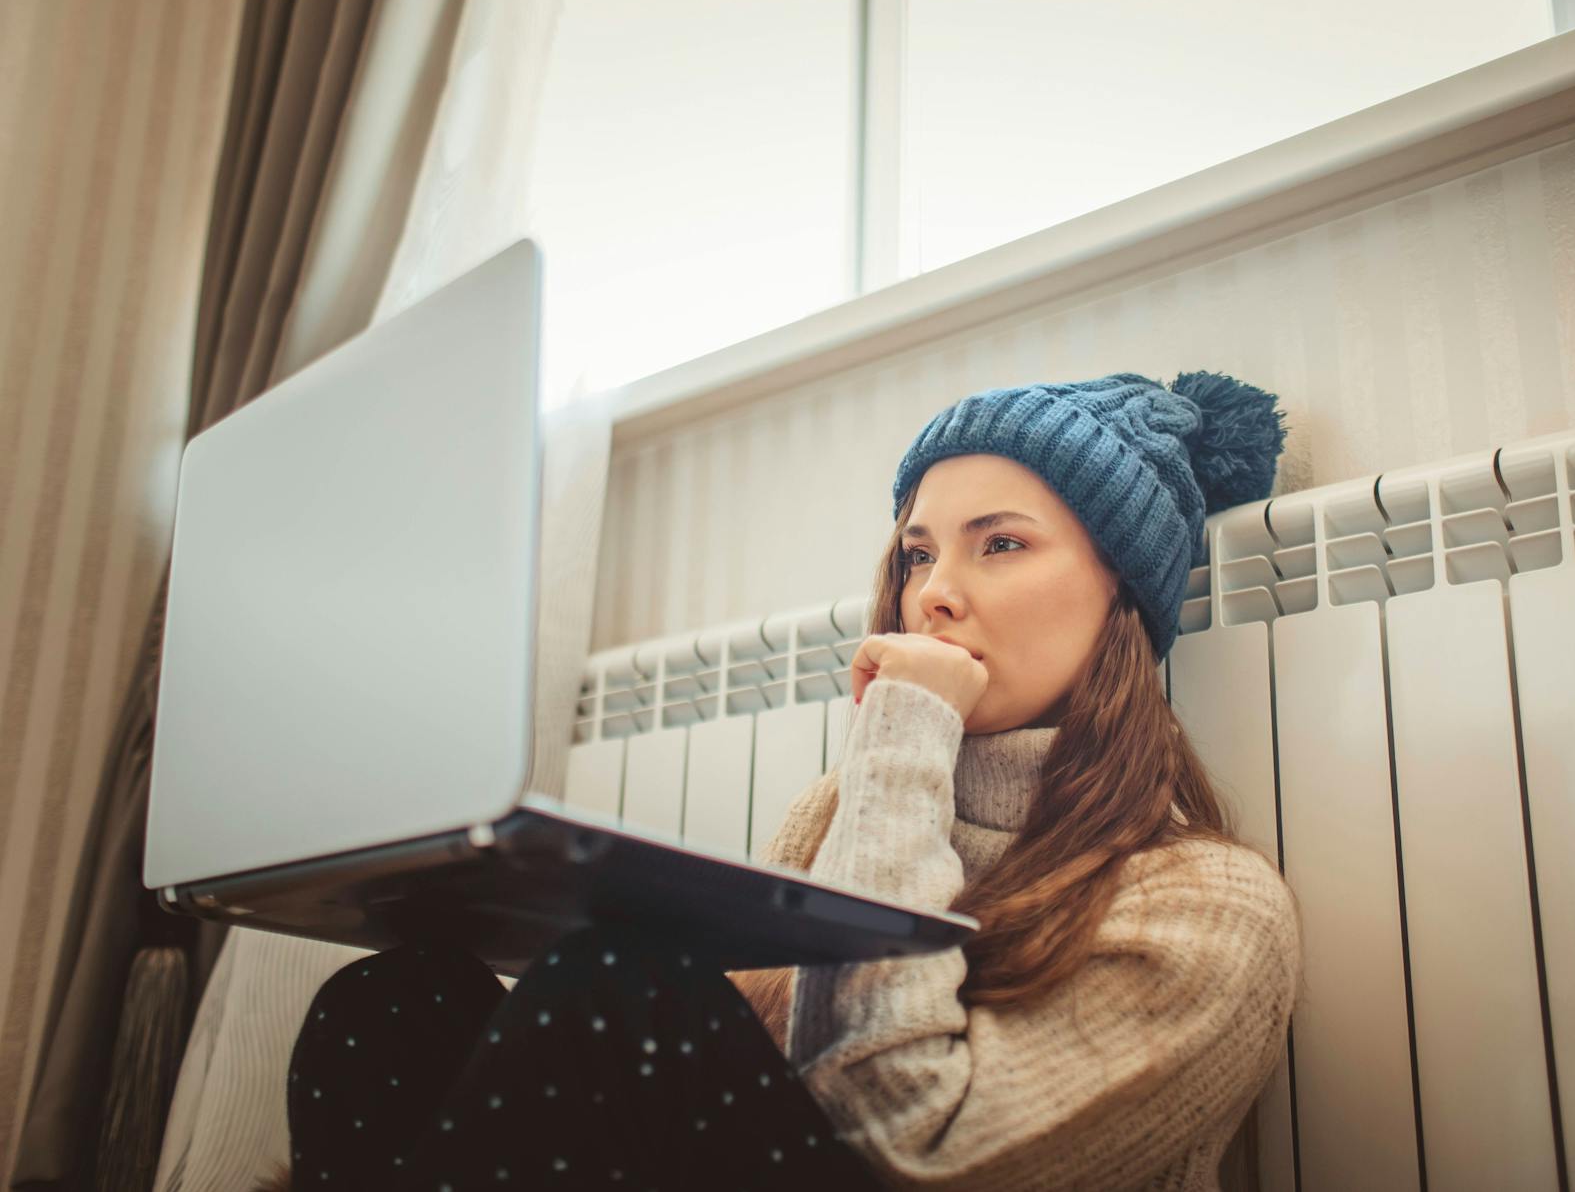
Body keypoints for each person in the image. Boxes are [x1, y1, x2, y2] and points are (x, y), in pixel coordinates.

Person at [262, 369, 1302, 1191]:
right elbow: (718, 1073)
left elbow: (914, 1141)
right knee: (394, 998)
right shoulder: (844, 808)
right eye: (916, 554)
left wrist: (905, 735)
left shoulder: (1210, 907)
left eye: (1000, 544)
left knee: (618, 990)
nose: (933, 594)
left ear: (1122, 595)